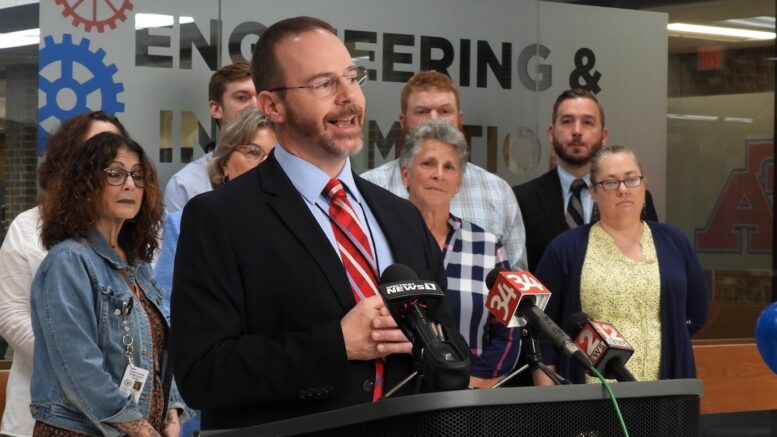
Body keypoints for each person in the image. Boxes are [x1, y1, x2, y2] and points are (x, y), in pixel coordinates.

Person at [169, 16, 463, 430]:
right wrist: (335, 345)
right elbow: (203, 374)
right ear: (272, 106)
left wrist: (429, 343)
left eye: (352, 78)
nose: (348, 98)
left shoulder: (402, 217)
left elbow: (450, 341)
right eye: (324, 85)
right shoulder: (219, 218)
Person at [30, 132, 188, 436]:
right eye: (115, 174)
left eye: (138, 176)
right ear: (85, 186)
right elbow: (79, 368)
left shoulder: (137, 265)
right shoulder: (68, 261)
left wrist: (171, 412)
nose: (130, 184)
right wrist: (141, 429)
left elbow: (160, 354)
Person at [534, 145, 709, 385]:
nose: (623, 190)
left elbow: (696, 314)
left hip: (664, 393)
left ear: (644, 184)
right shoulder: (565, 249)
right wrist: (551, 397)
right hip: (590, 399)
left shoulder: (675, 242)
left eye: (631, 179)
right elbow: (542, 330)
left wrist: (671, 337)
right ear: (593, 191)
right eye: (610, 182)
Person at [0, 111, 127, 437]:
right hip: (41, 413)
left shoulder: (135, 232)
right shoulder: (28, 227)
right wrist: (79, 363)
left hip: (125, 415)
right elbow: (9, 314)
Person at [361, 70, 527, 271]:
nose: (434, 119)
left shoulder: (497, 191)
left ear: (459, 119)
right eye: (422, 111)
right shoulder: (370, 187)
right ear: (403, 121)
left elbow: (517, 277)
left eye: (444, 111)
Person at [399, 120, 520, 388]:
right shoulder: (383, 236)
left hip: (471, 396)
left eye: (449, 167)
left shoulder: (488, 247)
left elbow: (509, 330)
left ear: (458, 183)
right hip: (398, 394)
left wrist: (471, 385)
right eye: (428, 163)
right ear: (405, 174)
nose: (438, 174)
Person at [514, 89, 658, 273]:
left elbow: (652, 267)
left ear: (604, 136)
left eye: (588, 122)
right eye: (567, 121)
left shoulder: (634, 197)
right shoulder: (522, 199)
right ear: (551, 133)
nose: (576, 131)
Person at [155, 106, 276, 313]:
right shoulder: (186, 223)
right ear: (225, 162)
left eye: (274, 157)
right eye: (254, 152)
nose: (265, 165)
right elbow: (167, 306)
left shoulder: (295, 225)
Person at [163, 62, 257, 212]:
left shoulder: (289, 173)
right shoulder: (186, 185)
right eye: (241, 97)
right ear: (216, 109)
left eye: (260, 96)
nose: (255, 105)